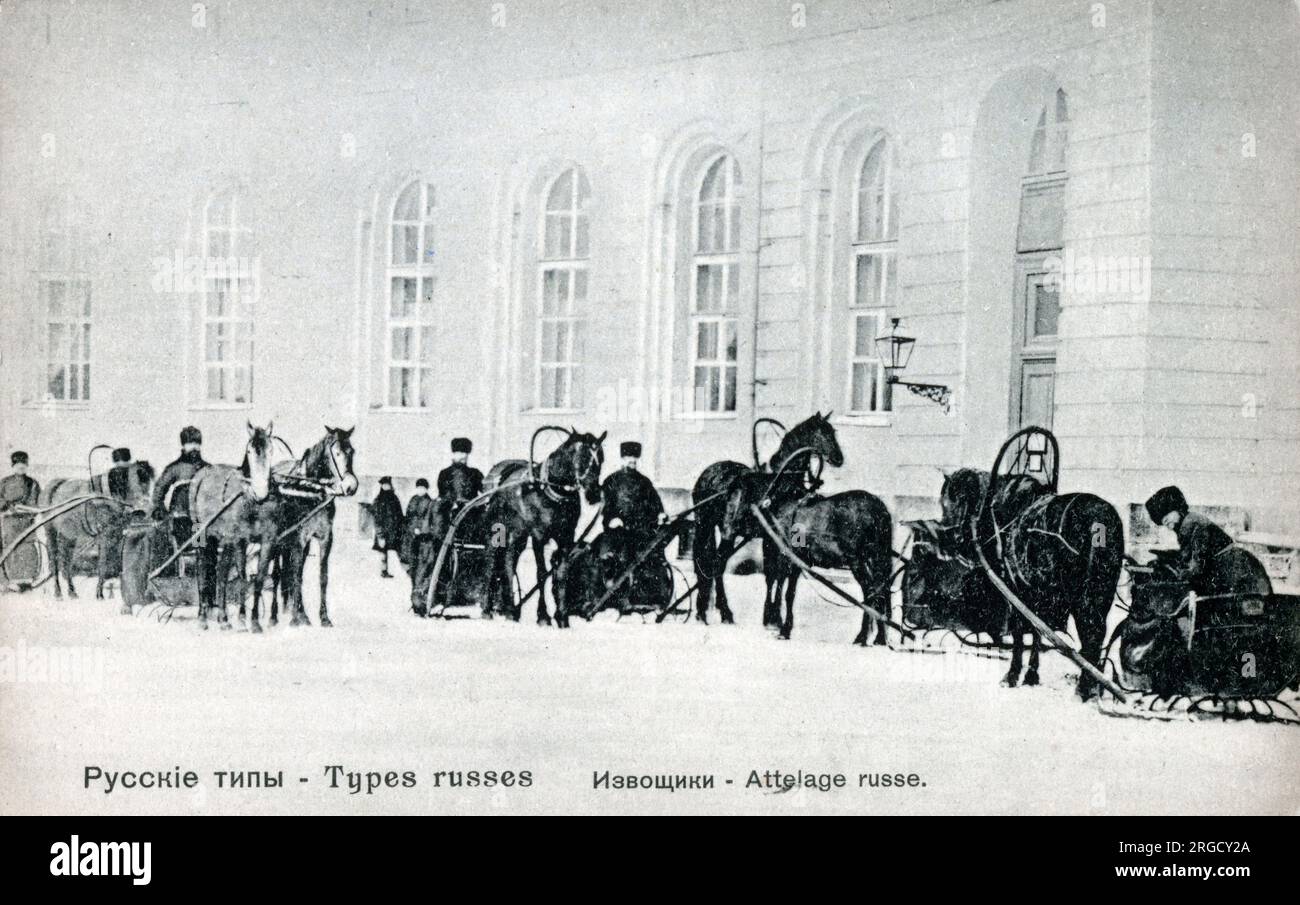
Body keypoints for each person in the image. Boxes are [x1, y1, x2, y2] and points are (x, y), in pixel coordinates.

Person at [1144, 485, 1271, 598]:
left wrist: (1180, 575)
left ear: (1177, 508)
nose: (1166, 523)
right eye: (1163, 522)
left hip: (1232, 568)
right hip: (1233, 563)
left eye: (1167, 517)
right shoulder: (1189, 521)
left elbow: (1197, 562)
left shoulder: (1191, 524)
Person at [152, 426, 209, 553]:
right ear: (183, 445)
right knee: (183, 551)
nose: (194, 447)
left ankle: (199, 572)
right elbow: (159, 491)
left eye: (197, 443)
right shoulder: (174, 468)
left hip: (200, 518)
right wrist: (159, 510)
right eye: (190, 443)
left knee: (201, 550)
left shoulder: (207, 469)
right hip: (180, 517)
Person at [0, 451, 42, 591]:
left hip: (27, 521)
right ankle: (10, 581)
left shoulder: (33, 483)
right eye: (18, 464)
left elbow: (36, 501)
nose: (21, 467)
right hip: (10, 521)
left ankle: (27, 580)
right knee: (11, 548)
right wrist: (8, 507)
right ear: (13, 465)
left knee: (28, 548)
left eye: (24, 464)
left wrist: (29, 510)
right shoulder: (4, 482)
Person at [403, 478, 436, 614]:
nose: (420, 490)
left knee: (421, 571)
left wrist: (420, 529)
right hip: (411, 539)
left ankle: (419, 601)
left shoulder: (430, 503)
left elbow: (428, 520)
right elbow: (408, 517)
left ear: (426, 489)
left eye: (423, 488)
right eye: (418, 488)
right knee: (412, 569)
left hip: (422, 540)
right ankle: (414, 598)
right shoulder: (413, 500)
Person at [371, 476, 404, 578]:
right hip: (384, 532)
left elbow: (400, 514)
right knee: (383, 553)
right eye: (384, 485)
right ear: (381, 486)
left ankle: (406, 570)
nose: (386, 486)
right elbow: (376, 519)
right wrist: (380, 535)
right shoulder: (378, 500)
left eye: (388, 484)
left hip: (394, 531)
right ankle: (384, 571)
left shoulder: (395, 498)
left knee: (400, 550)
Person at [437, 437, 483, 508]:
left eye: (465, 453)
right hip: (449, 513)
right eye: (460, 453)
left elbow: (485, 490)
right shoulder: (444, 474)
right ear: (454, 454)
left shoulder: (475, 473)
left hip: (472, 512)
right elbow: (442, 495)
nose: (463, 456)